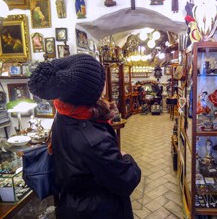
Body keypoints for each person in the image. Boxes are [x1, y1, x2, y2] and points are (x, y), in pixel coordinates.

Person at [28, 54, 141, 219]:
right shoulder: (94, 140)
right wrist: (126, 157)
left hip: (71, 204)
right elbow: (125, 180)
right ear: (90, 92)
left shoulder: (63, 114)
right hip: (97, 210)